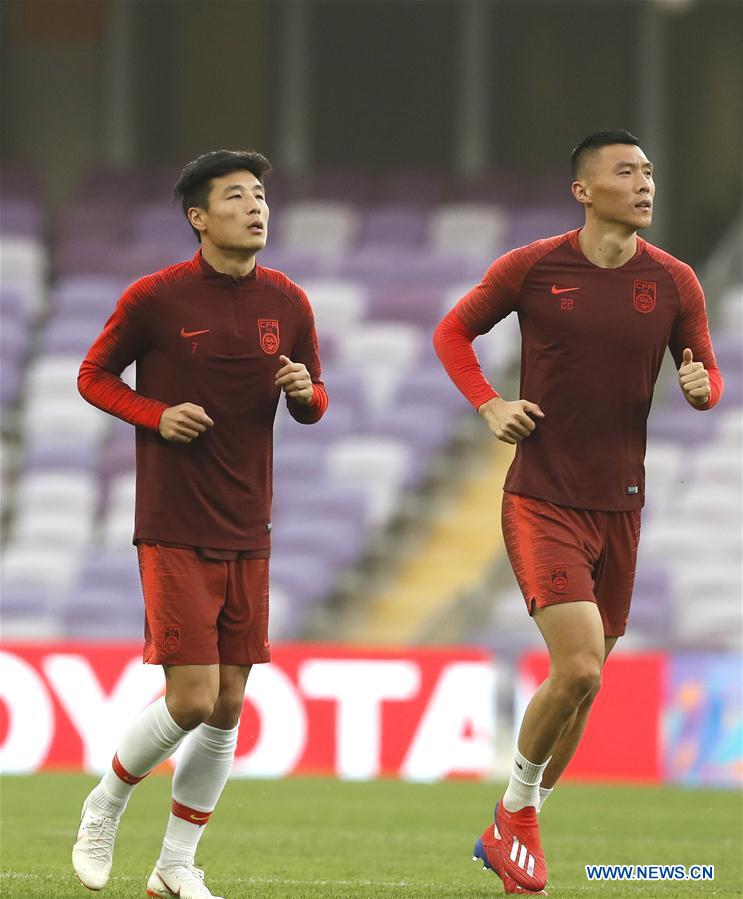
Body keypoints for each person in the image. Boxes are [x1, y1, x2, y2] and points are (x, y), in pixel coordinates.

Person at [433, 130, 723, 895]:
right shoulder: (531, 267)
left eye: (650, 171)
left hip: (620, 506)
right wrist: (488, 402)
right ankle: (518, 817)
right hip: (542, 496)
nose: (644, 183)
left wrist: (702, 391)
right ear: (584, 190)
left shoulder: (674, 282)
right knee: (580, 663)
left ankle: (512, 818)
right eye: (626, 171)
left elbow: (704, 372)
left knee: (586, 685)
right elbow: (451, 331)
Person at [72, 149, 328, 899]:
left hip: (250, 523)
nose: (256, 207)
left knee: (225, 705)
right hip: (174, 520)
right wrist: (155, 413)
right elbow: (91, 374)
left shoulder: (288, 301)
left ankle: (175, 866)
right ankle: (104, 802)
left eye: (260, 196)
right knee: (189, 697)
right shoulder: (156, 298)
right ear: (198, 216)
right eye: (236, 197)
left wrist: (305, 390)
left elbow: (313, 403)